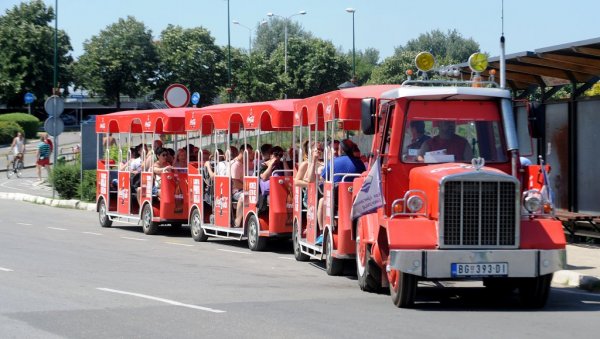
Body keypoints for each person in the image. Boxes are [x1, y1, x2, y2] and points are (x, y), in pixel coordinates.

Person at [316, 139, 366, 243]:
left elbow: (323, 178)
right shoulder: (359, 163)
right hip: (356, 199)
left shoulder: (333, 162)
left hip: (336, 200)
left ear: (340, 150)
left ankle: (321, 232)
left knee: (322, 201)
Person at [231, 144, 254, 227]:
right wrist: (247, 187)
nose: (250, 155)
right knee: (244, 196)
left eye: (251, 153)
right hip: (236, 191)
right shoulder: (235, 165)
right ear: (241, 152)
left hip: (244, 188)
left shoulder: (244, 163)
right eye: (248, 152)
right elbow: (235, 183)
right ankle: (238, 220)